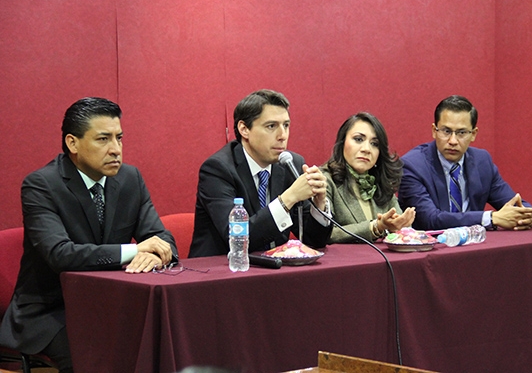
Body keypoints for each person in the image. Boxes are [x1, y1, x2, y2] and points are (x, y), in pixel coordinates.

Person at [0, 97, 178, 373]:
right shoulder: (42, 185)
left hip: (112, 302)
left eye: (119, 138)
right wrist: (135, 250)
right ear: (73, 143)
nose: (116, 149)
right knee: (97, 356)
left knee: (165, 342)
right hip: (52, 311)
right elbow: (60, 254)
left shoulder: (130, 179)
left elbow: (162, 240)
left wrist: (157, 255)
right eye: (103, 139)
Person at [189, 89, 332, 257]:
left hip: (272, 266)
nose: (282, 135)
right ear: (244, 129)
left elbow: (314, 241)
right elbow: (237, 238)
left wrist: (319, 204)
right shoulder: (218, 169)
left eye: (286, 125)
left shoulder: (291, 164)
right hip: (220, 268)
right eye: (271, 126)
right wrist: (288, 198)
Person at [398, 95, 532, 231]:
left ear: (473, 134)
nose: (453, 141)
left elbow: (516, 204)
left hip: (475, 245)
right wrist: (491, 218)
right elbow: (429, 219)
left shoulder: (482, 162)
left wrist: (527, 217)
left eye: (461, 133)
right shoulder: (413, 166)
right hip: (430, 245)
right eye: (446, 131)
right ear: (434, 131)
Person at [322, 112, 416, 243]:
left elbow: (400, 230)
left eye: (374, 144)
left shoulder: (381, 182)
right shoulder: (324, 180)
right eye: (358, 139)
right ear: (342, 142)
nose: (366, 149)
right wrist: (376, 227)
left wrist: (402, 226)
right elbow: (325, 235)